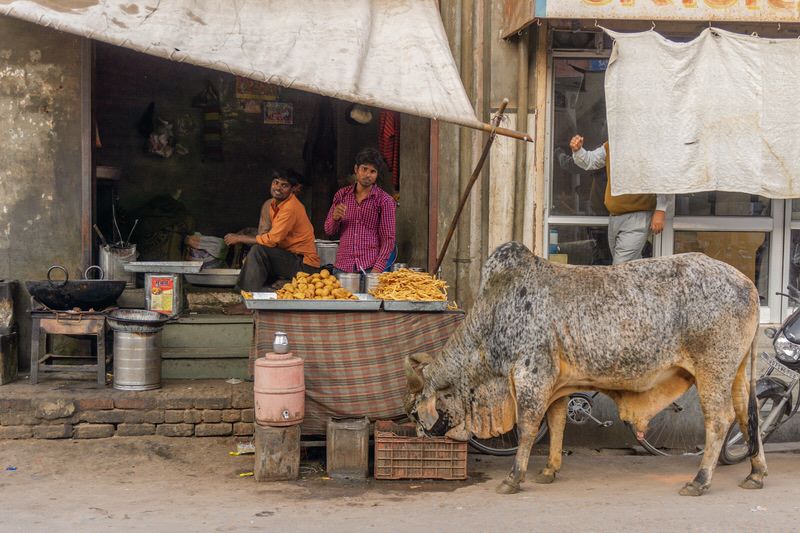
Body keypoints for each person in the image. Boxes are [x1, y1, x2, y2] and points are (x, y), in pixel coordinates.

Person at [570, 135, 667, 265]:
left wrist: (661, 209)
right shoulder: (613, 145)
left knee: (620, 268)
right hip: (615, 217)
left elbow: (665, 175)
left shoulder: (649, 145)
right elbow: (591, 160)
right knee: (628, 269)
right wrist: (578, 151)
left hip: (637, 217)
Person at [225, 170, 320, 291]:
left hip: (304, 265)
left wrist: (239, 238)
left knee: (258, 251)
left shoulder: (291, 208)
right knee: (260, 254)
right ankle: (251, 294)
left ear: (293, 189)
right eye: (276, 183)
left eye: (284, 185)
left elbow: (272, 240)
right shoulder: (273, 204)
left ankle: (248, 298)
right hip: (290, 258)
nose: (278, 188)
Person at [324, 147, 396, 273]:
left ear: (377, 175)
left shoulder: (385, 201)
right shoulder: (342, 195)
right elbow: (329, 231)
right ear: (356, 169)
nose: (367, 175)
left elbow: (388, 240)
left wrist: (377, 270)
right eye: (364, 169)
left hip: (369, 267)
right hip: (342, 267)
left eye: (372, 171)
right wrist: (335, 218)